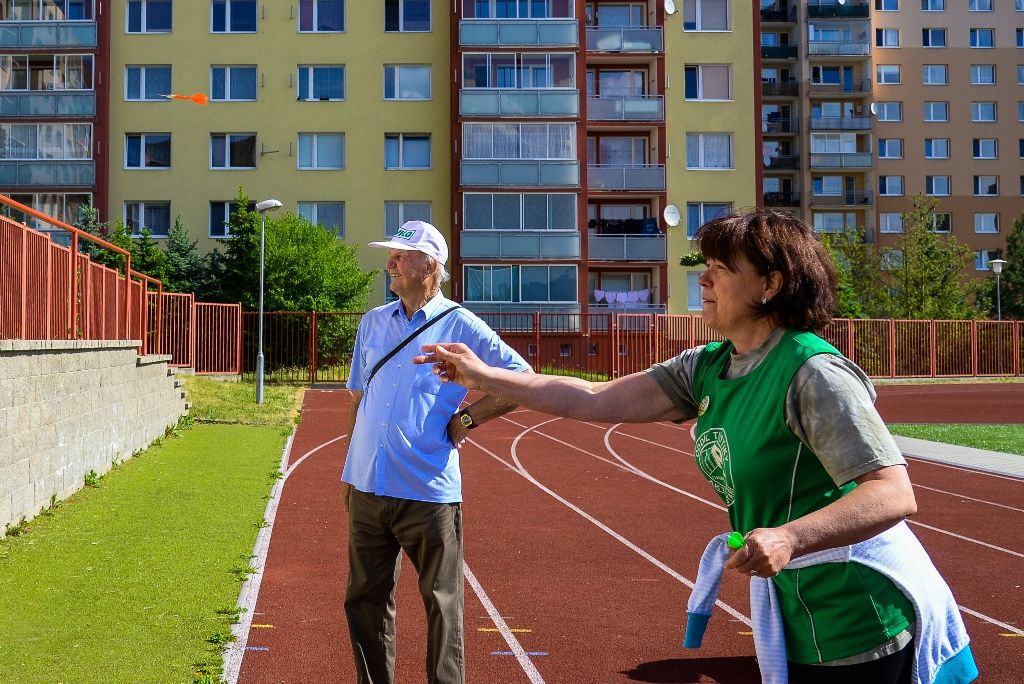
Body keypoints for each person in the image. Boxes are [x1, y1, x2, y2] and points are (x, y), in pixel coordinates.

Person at [416, 210, 977, 684]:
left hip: (861, 617)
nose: (703, 280)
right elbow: (591, 398)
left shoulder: (813, 373)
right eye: (704, 268)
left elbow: (893, 493)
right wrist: (482, 376)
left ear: (770, 285)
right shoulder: (709, 366)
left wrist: (789, 536)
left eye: (719, 269)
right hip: (798, 610)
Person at [341, 220, 531, 684]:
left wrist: (466, 420)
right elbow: (356, 398)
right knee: (364, 602)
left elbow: (520, 380)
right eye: (391, 254)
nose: (389, 263)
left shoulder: (460, 324)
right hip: (366, 488)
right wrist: (350, 469)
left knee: (442, 606)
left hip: (428, 492)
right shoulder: (372, 322)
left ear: (429, 266)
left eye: (400, 256)